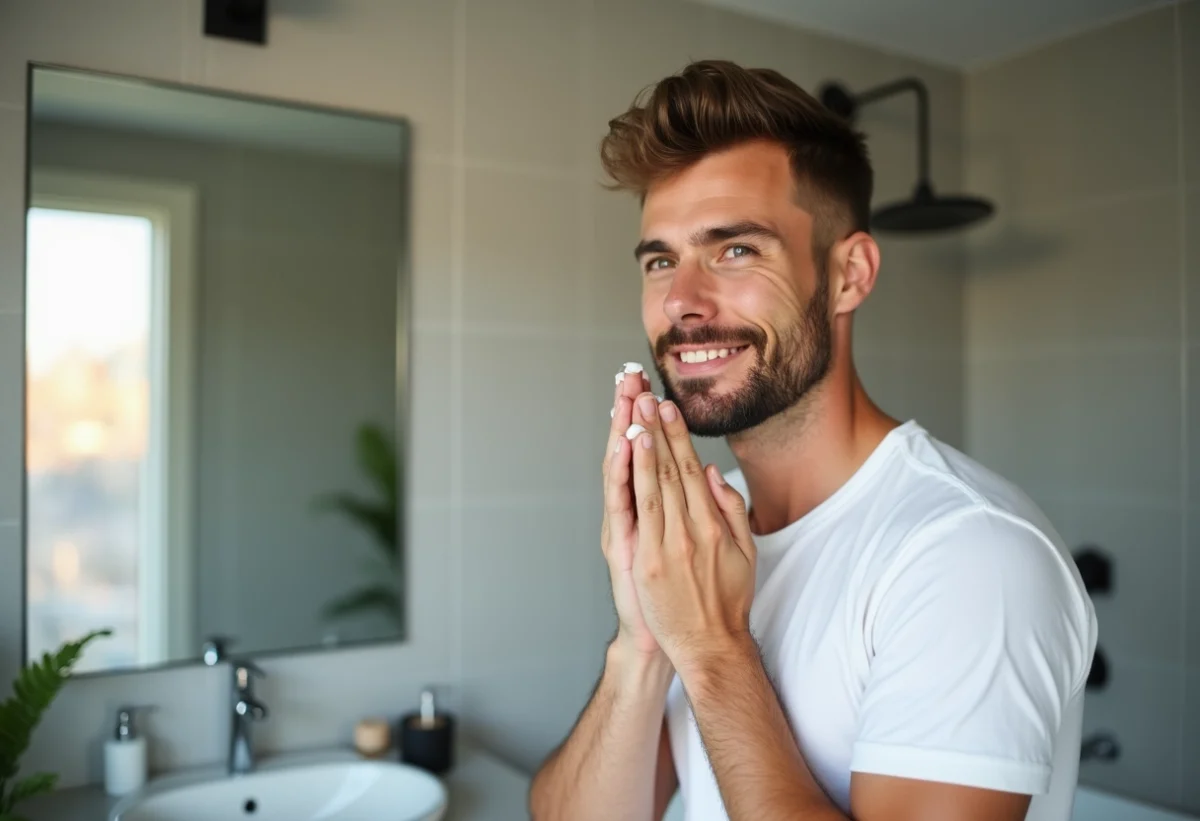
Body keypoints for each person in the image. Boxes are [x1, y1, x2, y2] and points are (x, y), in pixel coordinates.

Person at [528, 60, 1096, 821]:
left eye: (735, 250)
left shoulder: (969, 554)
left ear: (849, 274)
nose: (681, 302)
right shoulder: (706, 543)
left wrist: (714, 647)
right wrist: (642, 639)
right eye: (661, 259)